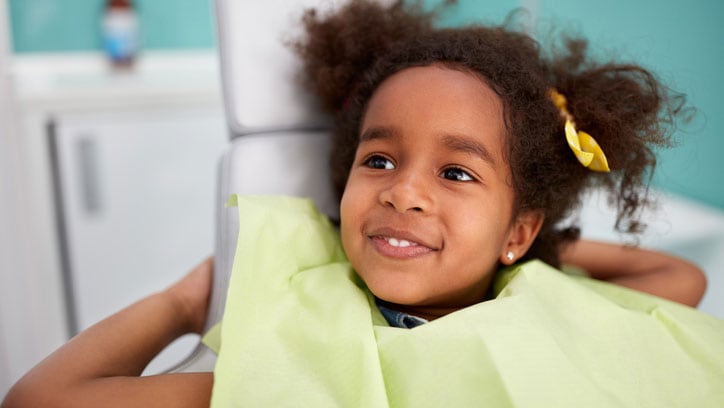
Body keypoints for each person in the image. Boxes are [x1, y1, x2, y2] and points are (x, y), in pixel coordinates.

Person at [2, 0, 713, 406]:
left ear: (519, 228)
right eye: (378, 160)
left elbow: (682, 280)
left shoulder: (545, 298)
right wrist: (190, 302)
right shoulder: (296, 350)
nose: (403, 191)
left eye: (458, 174)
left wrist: (536, 248)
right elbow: (43, 400)